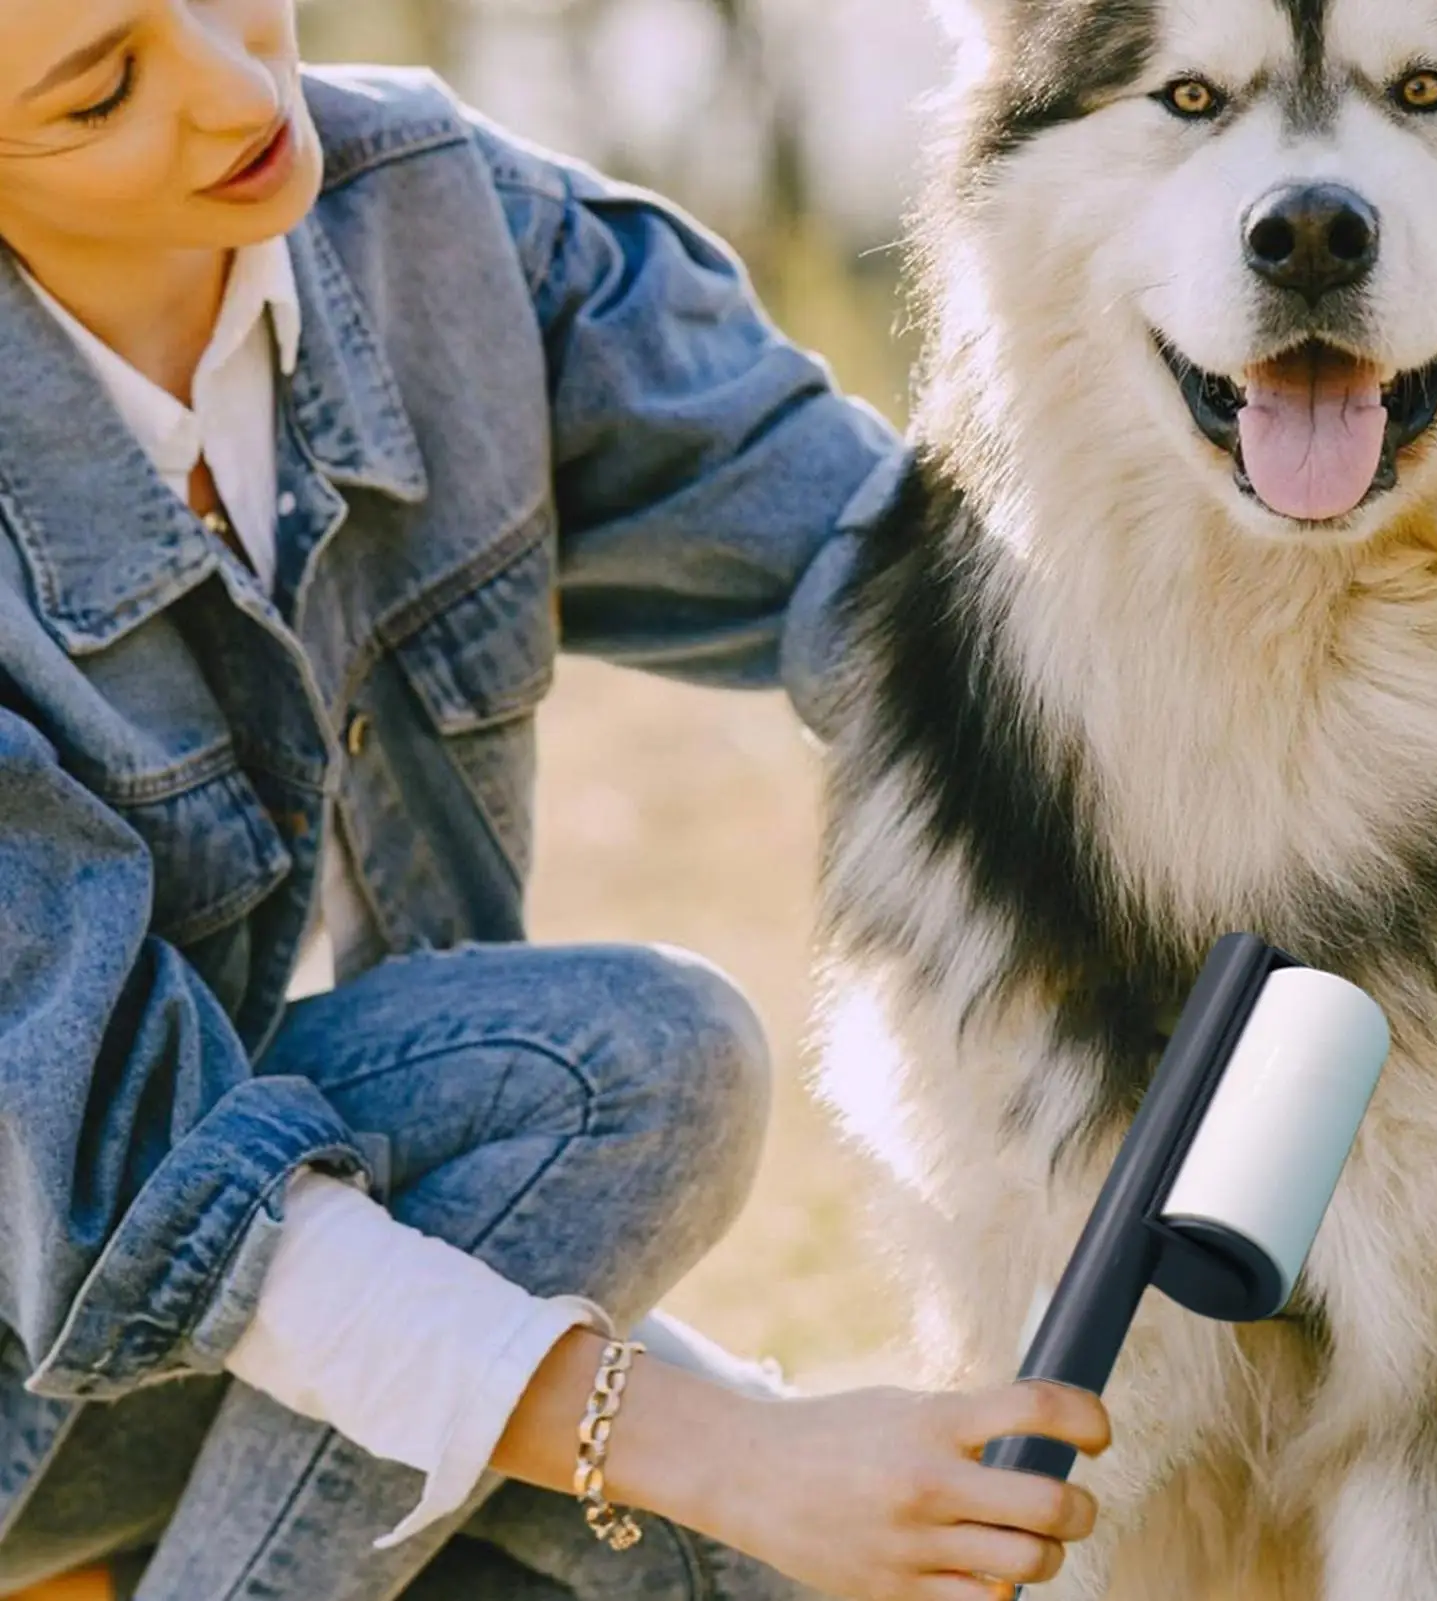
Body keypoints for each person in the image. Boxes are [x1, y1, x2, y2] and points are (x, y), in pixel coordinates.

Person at [0, 5, 1112, 1601]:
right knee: (621, 1073)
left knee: (759, 1576)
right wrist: (736, 1454)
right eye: (104, 90)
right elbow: (129, 1193)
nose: (238, 89)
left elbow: (911, 600)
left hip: (284, 1293)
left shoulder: (443, 226)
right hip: (49, 1325)